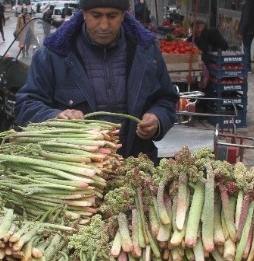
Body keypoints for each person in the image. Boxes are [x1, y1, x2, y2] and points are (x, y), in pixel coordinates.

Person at [13, 0, 179, 163]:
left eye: (112, 16)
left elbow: (167, 99)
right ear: (84, 13)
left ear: (124, 14)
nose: (104, 25)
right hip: (78, 172)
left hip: (136, 168)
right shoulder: (53, 54)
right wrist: (55, 117)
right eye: (96, 15)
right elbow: (25, 105)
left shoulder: (146, 51)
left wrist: (157, 119)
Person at [238, 0, 254, 71]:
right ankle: (247, 65)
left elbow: (245, 19)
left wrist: (241, 32)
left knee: (246, 48)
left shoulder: (248, 5)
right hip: (252, 29)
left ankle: (247, 67)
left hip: (247, 30)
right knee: (248, 48)